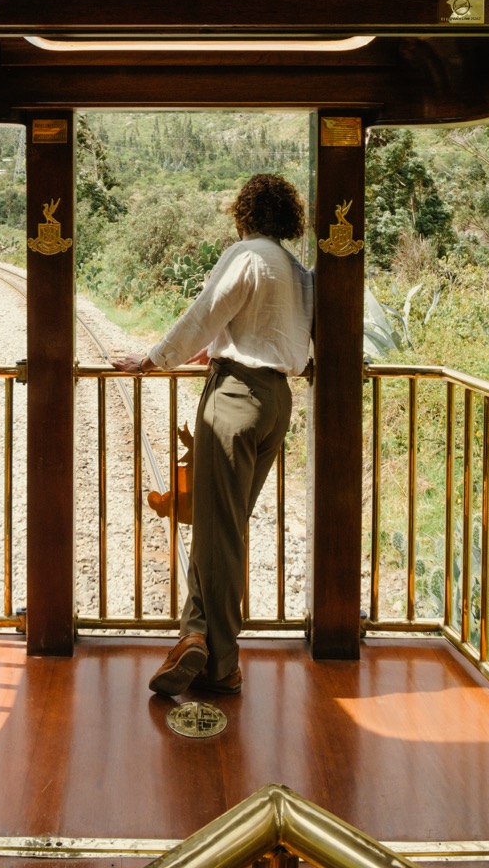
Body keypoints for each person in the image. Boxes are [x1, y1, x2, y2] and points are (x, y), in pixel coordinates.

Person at [112, 173, 314, 697]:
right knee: (226, 525)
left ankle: (222, 662)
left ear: (244, 212)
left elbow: (206, 312)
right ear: (287, 217)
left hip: (234, 398)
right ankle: (197, 634)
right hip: (276, 402)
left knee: (216, 528)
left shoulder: (245, 255)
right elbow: (271, 329)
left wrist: (153, 360)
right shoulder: (296, 270)